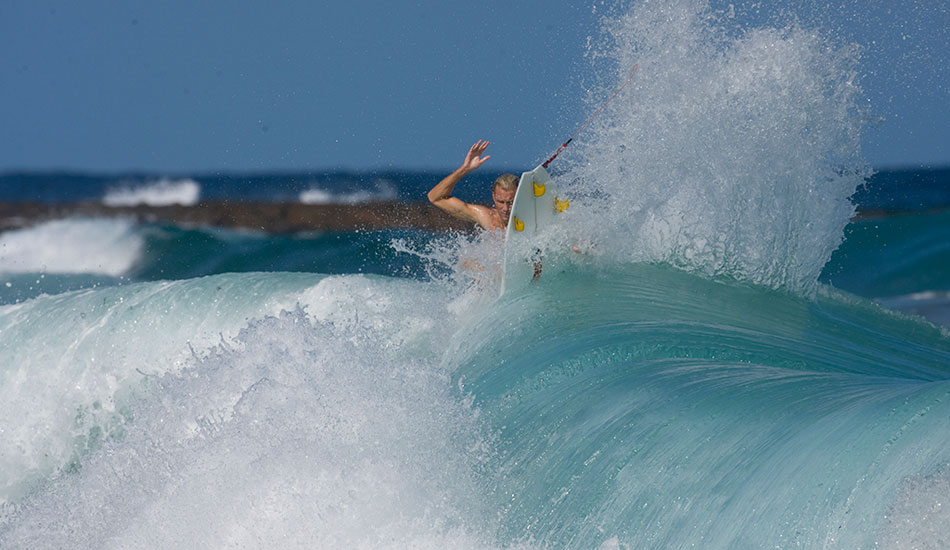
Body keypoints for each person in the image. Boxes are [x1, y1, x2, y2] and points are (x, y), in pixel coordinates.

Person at [427, 140, 518, 231]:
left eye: (511, 203)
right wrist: (465, 169)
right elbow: (435, 198)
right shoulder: (486, 217)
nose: (505, 209)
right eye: (501, 202)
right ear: (493, 197)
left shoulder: (527, 217)